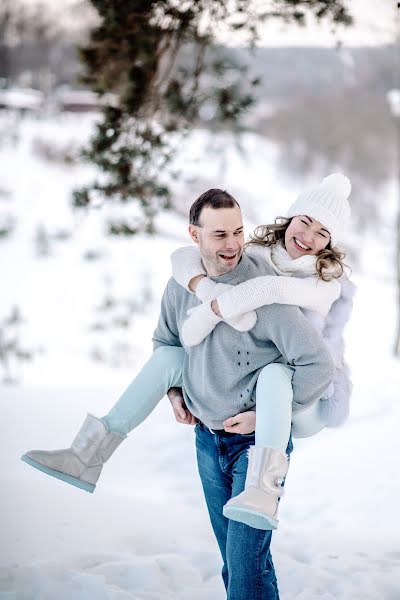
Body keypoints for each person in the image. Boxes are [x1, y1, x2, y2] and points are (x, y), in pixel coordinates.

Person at [22, 188, 335, 600]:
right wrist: (174, 394)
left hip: (256, 448)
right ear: (194, 235)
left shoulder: (263, 290)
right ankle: (87, 455)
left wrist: (268, 417)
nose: (232, 244)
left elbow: (318, 365)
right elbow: (164, 343)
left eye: (238, 232)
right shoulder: (182, 286)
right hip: (207, 439)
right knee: (239, 562)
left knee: (244, 566)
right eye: (220, 234)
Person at [169, 173, 355, 529]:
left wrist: (213, 307)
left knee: (273, 374)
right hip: (259, 392)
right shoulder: (257, 254)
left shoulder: (324, 282)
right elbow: (183, 257)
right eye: (305, 222)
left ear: (331, 243)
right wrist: (200, 283)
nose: (309, 237)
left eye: (323, 233)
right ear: (291, 218)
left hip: (310, 393)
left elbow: (269, 289)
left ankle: (264, 491)